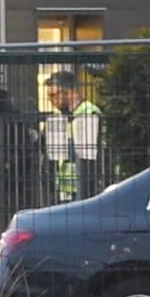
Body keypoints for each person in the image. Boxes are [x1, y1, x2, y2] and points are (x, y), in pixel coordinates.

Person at [44, 70, 104, 202]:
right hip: (64, 188)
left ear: (69, 92)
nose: (51, 101)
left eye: (54, 95)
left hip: (86, 186)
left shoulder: (89, 112)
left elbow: (87, 153)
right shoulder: (59, 116)